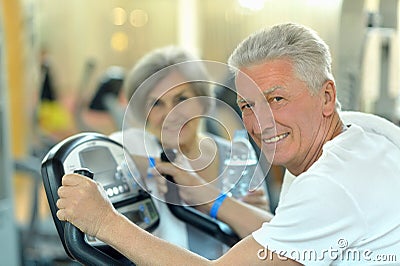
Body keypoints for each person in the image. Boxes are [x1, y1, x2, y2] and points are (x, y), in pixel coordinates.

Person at [56, 23, 400, 265]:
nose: (260, 121)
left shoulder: (328, 183)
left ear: (327, 97)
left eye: (276, 98)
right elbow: (286, 238)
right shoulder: (361, 132)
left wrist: (104, 223)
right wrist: (210, 199)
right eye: (248, 105)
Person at [109, 45, 270, 259]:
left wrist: (254, 214)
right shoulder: (134, 152)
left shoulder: (238, 157)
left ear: (202, 102)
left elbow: (270, 243)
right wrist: (151, 166)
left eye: (181, 99)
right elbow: (113, 152)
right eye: (156, 104)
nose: (171, 114)